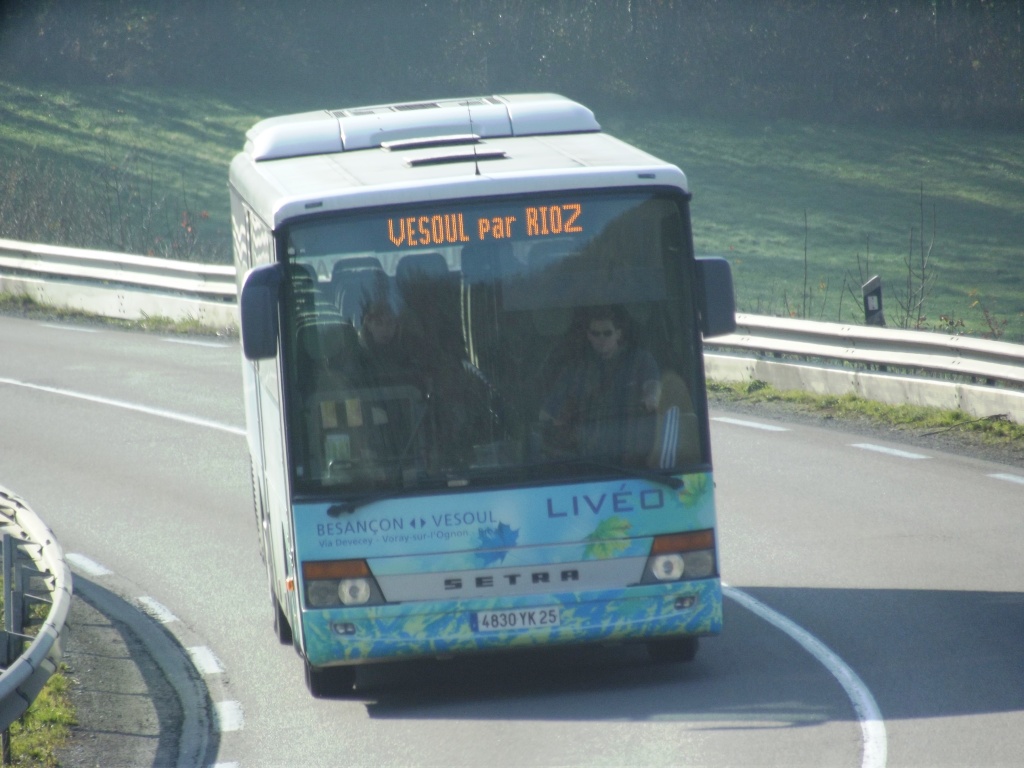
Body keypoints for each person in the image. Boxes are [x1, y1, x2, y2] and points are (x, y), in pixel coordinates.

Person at [540, 305, 661, 465]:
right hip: (585, 460)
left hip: (632, 459)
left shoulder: (640, 361)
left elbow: (653, 386)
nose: (601, 339)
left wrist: (651, 398)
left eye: (607, 333)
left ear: (618, 334)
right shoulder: (577, 369)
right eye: (595, 334)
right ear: (588, 336)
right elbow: (548, 412)